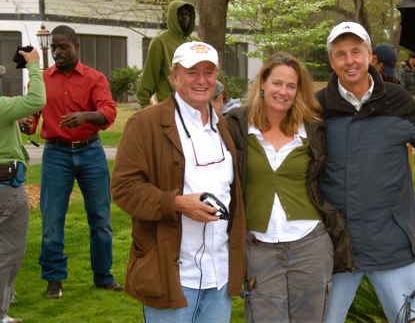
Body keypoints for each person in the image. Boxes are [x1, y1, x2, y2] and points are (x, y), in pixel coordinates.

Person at [317, 21, 415, 322]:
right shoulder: (317, 106)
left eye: (356, 52)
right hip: (335, 244)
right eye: (340, 54)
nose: (350, 61)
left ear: (370, 55)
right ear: (331, 61)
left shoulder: (395, 99)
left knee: (409, 319)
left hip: (390, 242)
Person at [111, 41, 246, 323]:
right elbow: (123, 189)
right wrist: (175, 203)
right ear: (174, 76)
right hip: (173, 274)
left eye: (208, 72)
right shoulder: (145, 123)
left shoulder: (220, 124)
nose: (201, 80)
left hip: (218, 274)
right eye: (191, 72)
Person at [226, 53, 349, 322]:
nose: (283, 91)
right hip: (259, 248)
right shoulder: (236, 126)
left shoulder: (313, 129)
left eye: (290, 86)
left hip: (310, 245)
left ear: (298, 91)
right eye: (277, 83)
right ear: (263, 84)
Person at [27, 25, 120, 299]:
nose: (57, 51)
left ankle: (103, 276)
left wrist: (86, 116)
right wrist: (25, 123)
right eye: (54, 47)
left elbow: (108, 111)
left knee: (100, 219)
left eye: (63, 46)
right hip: (56, 154)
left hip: (90, 152)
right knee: (52, 220)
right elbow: (31, 118)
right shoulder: (41, 80)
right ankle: (54, 280)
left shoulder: (94, 78)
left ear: (76, 47)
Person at [0, 48, 46, 323]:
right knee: (8, 251)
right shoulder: (2, 106)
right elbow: (37, 99)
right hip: (6, 189)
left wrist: (13, 123)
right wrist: (34, 65)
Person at [137, 0, 199, 108]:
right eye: (180, 14)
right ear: (172, 17)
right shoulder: (160, 42)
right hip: (170, 106)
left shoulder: (196, 43)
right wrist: (144, 105)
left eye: (187, 14)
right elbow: (150, 75)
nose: (184, 17)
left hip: (194, 106)